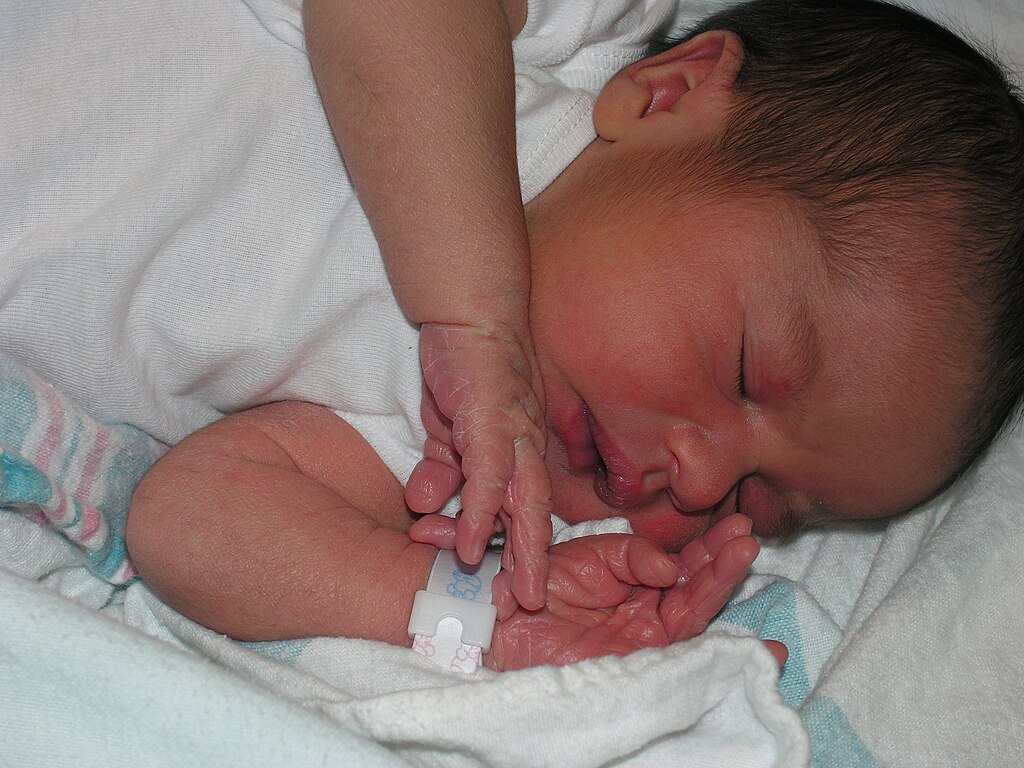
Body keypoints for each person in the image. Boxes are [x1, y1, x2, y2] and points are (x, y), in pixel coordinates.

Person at [7, 0, 1024, 670]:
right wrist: (471, 310)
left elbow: (186, 522)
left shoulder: (444, 466)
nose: (704, 479)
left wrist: (470, 609)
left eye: (768, 503)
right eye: (747, 369)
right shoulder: (554, 41)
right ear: (666, 95)